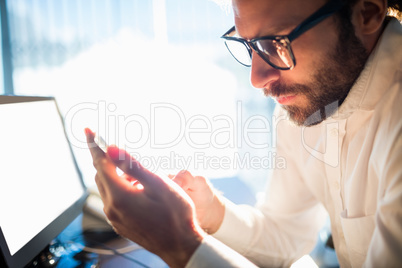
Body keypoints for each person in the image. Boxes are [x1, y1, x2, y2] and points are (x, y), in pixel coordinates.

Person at [85, 0, 402, 267]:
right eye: (249, 45)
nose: (257, 78)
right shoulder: (313, 102)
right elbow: (287, 235)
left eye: (276, 44)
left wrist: (179, 242)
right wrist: (210, 213)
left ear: (368, 13)